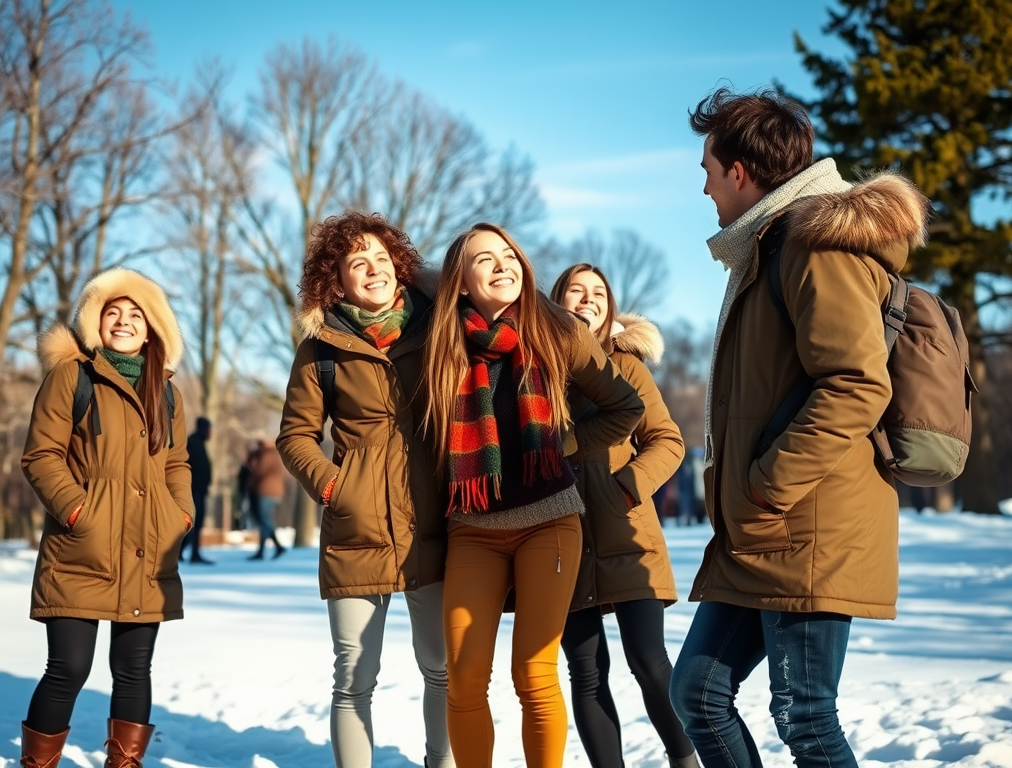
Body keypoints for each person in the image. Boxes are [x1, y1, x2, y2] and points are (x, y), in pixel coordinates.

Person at [668, 87, 929, 767]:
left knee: (805, 715)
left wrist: (765, 484)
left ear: (740, 172)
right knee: (697, 692)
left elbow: (855, 383)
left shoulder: (815, 247)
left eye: (706, 170)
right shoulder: (771, 245)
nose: (703, 187)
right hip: (763, 532)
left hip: (805, 523)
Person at [421, 223, 644, 768]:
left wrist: (564, 442)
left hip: (550, 523)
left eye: (509, 255)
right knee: (465, 678)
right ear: (460, 281)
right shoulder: (441, 340)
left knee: (534, 672)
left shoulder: (558, 330)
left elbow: (626, 407)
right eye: (484, 259)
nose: (502, 265)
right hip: (473, 530)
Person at [277, 211, 453, 768]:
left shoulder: (437, 325)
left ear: (398, 266)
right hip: (357, 528)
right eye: (358, 262)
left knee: (444, 669)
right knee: (354, 678)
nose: (372, 269)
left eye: (380, 258)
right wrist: (335, 486)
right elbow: (295, 436)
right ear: (338, 279)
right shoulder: (321, 347)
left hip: (437, 522)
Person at [19, 267, 192, 768]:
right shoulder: (72, 377)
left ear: (153, 327)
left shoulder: (167, 391)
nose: (123, 321)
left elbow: (176, 462)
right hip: (81, 546)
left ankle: (124, 763)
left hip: (148, 546)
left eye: (135, 314)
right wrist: (78, 509)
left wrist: (178, 514)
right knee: (68, 668)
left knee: (134, 669)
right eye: (112, 312)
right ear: (96, 322)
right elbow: (41, 455)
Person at [550, 264, 697, 768]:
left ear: (608, 309)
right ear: (555, 301)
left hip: (627, 533)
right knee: (586, 670)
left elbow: (668, 441)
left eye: (597, 294)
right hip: (562, 539)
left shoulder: (627, 366)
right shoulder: (535, 371)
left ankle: (685, 759)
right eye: (576, 291)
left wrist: (627, 488)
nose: (587, 300)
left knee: (649, 663)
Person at [245, 438, 287, 561]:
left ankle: (277, 546)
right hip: (272, 492)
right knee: (265, 520)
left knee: (264, 520)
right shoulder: (273, 454)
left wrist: (249, 485)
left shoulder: (267, 456)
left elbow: (258, 472)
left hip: (266, 492)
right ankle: (263, 550)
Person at [180, 416, 214, 564]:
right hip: (194, 489)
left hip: (200, 489)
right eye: (208, 429)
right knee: (192, 522)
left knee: (197, 522)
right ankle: (184, 552)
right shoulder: (193, 443)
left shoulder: (198, 443)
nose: (209, 433)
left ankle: (191, 552)